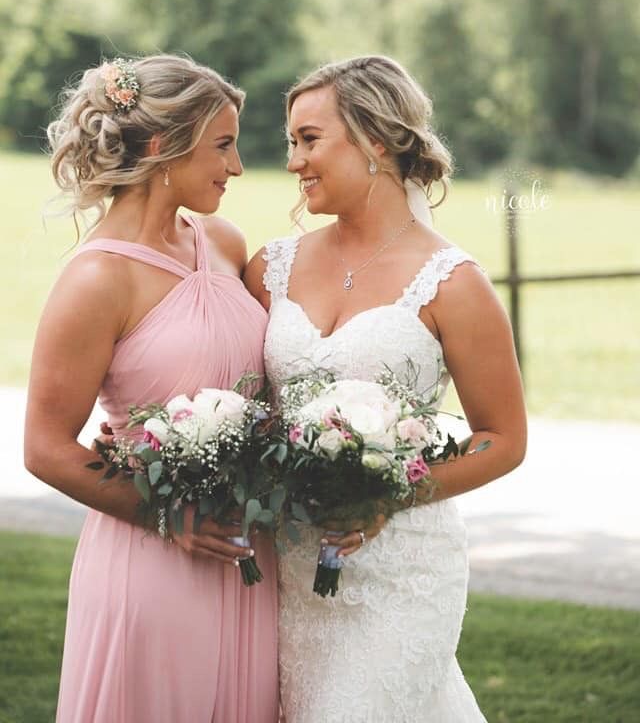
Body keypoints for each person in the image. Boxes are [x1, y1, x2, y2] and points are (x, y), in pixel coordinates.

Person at [244, 55, 527, 722]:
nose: (293, 161)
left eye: (309, 139)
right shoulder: (270, 268)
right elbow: (245, 402)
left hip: (400, 570)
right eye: (291, 142)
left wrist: (392, 492)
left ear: (376, 139)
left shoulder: (454, 284)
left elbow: (504, 439)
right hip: (284, 568)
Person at [24, 55, 279, 723]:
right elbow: (46, 448)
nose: (238, 166)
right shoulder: (96, 280)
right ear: (167, 146)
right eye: (224, 145)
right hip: (155, 557)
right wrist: (172, 517)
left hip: (251, 556)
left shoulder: (223, 242)